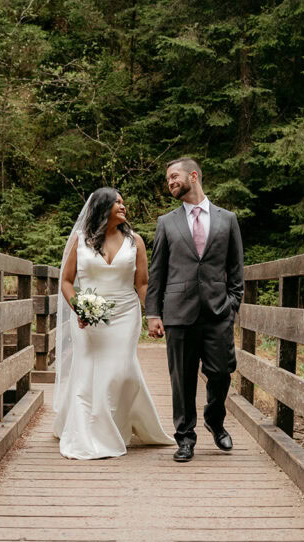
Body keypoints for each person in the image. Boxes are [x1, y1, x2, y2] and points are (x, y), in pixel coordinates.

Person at [53, 187, 174, 459]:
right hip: (87, 316)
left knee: (119, 372)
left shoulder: (136, 241)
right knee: (87, 371)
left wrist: (154, 315)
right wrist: (80, 308)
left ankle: (115, 427)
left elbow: (142, 284)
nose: (123, 206)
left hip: (124, 314)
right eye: (116, 202)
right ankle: (87, 432)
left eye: (123, 202)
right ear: (101, 207)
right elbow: (67, 281)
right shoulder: (79, 240)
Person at [146, 158, 244, 462]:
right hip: (178, 313)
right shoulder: (167, 222)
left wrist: (231, 307)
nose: (170, 182)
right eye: (168, 179)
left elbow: (236, 270)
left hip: (217, 312)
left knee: (221, 373)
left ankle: (215, 420)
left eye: (174, 176)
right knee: (182, 379)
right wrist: (152, 313)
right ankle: (185, 437)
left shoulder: (227, 219)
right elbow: (157, 271)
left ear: (193, 175)